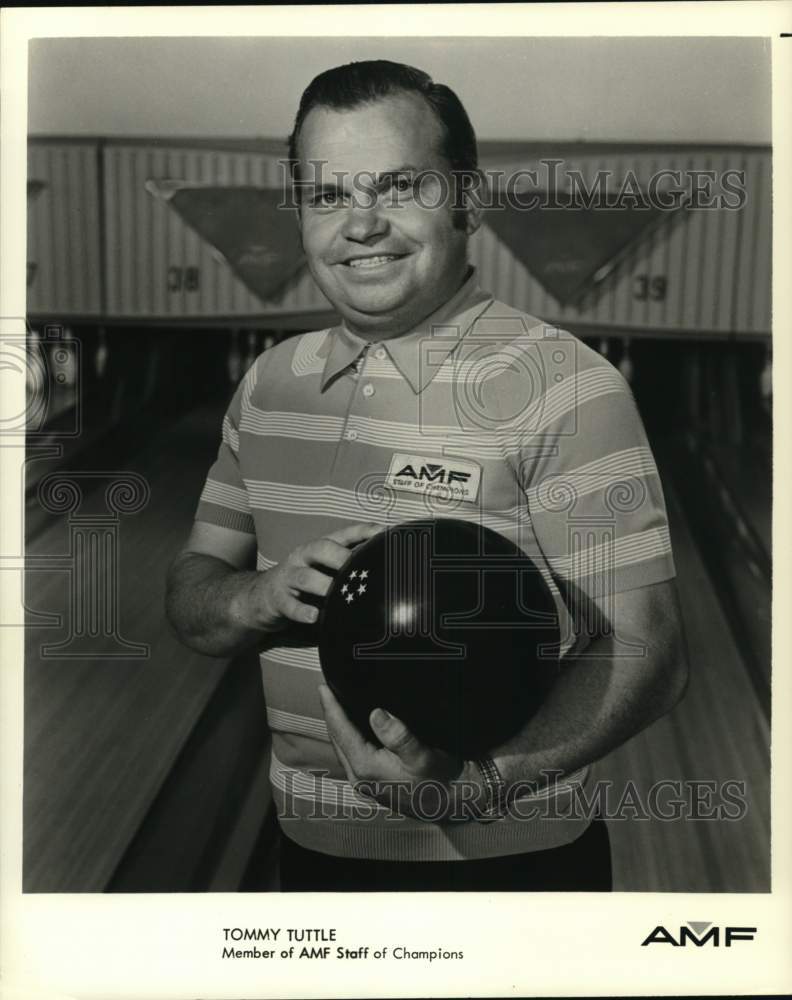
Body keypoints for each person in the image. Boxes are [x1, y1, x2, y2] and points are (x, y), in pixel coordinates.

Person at [165, 60, 689, 892]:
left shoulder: (568, 384)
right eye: (330, 195)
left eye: (399, 186)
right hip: (312, 851)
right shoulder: (268, 385)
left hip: (514, 864)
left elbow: (650, 653)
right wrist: (250, 599)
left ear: (468, 201)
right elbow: (194, 599)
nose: (362, 223)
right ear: (301, 212)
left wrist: (477, 787)